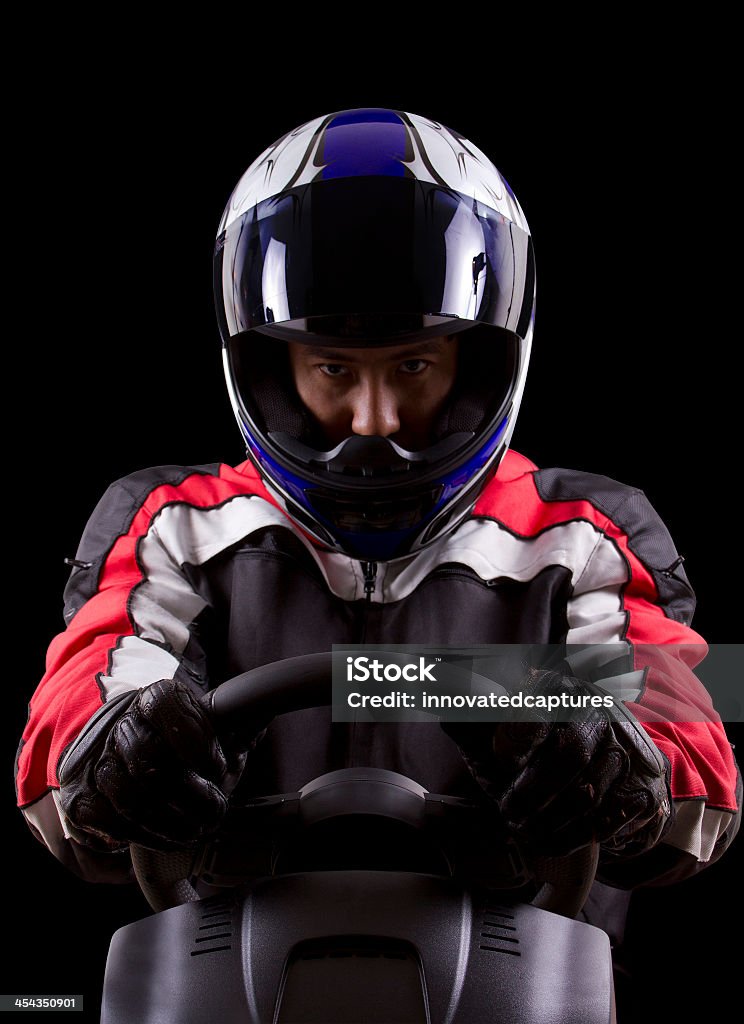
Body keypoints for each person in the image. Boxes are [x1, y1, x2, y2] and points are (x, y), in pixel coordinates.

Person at [15, 107, 740, 953]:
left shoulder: (587, 533)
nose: (373, 422)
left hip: (519, 977)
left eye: (414, 366)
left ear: (477, 364)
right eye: (332, 369)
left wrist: (622, 765)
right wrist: (117, 749)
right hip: (231, 975)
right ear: (270, 368)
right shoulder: (171, 525)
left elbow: (697, 750)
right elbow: (79, 699)